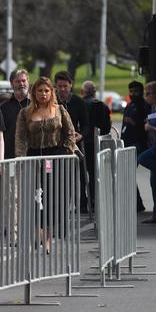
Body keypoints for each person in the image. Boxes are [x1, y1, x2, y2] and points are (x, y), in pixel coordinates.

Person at [15, 76, 76, 252]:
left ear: (52, 92)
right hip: (33, 157)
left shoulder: (60, 110)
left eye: (47, 90)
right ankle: (37, 231)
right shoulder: (25, 113)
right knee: (34, 196)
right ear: (34, 93)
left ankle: (47, 236)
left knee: (52, 197)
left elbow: (70, 133)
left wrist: (67, 152)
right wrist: (20, 157)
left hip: (54, 157)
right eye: (40, 90)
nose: (43, 94)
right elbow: (20, 137)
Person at [55, 70, 89, 212]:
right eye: (59, 86)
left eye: (65, 86)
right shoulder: (52, 101)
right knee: (59, 177)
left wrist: (80, 136)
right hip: (56, 144)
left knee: (78, 175)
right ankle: (60, 206)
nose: (62, 89)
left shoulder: (78, 102)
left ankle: (81, 205)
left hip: (74, 145)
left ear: (71, 85)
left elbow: (86, 124)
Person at [137, 81, 156, 224]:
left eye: (148, 94)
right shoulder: (152, 108)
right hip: (154, 144)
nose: (146, 96)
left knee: (142, 158)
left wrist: (151, 128)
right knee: (154, 183)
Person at [79, 80, 111, 213]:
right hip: (96, 144)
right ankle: (94, 201)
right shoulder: (102, 106)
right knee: (94, 174)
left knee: (81, 175)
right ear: (95, 92)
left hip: (81, 143)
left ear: (82, 92)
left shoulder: (79, 104)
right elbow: (107, 127)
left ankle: (82, 203)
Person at [121, 81, 151, 212]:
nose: (133, 94)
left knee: (130, 173)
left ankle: (138, 204)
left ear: (141, 91)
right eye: (131, 91)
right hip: (127, 143)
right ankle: (137, 203)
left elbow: (147, 123)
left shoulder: (145, 106)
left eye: (136, 91)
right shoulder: (129, 105)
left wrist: (135, 122)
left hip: (139, 143)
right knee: (128, 175)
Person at [0, 68, 30, 159]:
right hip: (10, 155)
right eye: (17, 81)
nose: (21, 84)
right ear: (11, 84)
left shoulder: (37, 104)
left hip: (32, 155)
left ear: (28, 82)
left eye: (24, 81)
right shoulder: (3, 107)